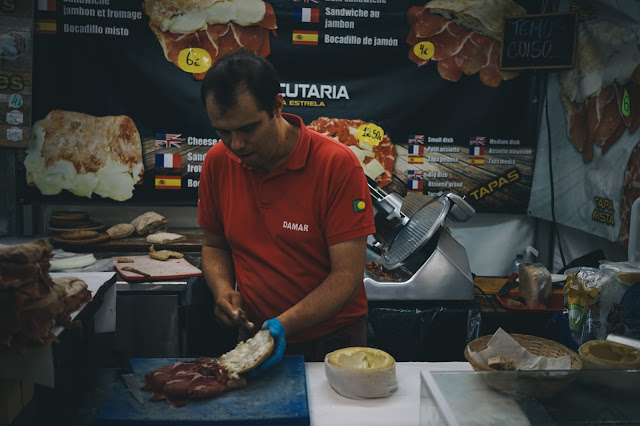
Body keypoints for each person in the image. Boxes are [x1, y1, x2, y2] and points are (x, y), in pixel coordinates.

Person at [197, 50, 376, 373]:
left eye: (248, 129)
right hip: (254, 339)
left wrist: (281, 326)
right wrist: (222, 289)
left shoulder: (336, 165)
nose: (236, 144)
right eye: (223, 131)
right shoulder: (217, 162)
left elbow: (347, 276)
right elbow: (214, 245)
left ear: (277, 106)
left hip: (334, 344)